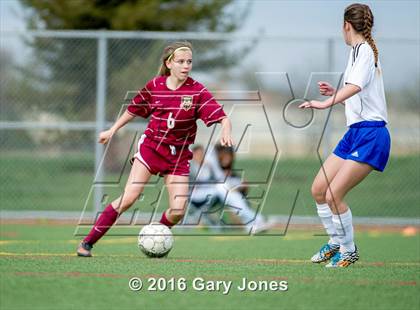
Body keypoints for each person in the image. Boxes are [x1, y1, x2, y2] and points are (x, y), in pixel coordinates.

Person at [77, 41, 233, 257]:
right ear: (169, 63)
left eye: (189, 61)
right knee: (129, 197)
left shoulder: (197, 91)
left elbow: (223, 117)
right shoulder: (155, 86)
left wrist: (225, 129)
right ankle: (87, 243)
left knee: (178, 211)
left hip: (178, 157)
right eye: (180, 61)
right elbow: (132, 110)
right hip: (151, 148)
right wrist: (111, 130)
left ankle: (155, 234)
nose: (186, 65)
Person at [299, 3, 390, 267]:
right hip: (355, 133)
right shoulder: (355, 52)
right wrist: (336, 94)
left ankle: (349, 250)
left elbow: (356, 87)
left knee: (333, 195)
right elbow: (357, 95)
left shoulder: (364, 52)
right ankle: (336, 242)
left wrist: (324, 102)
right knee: (318, 189)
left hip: (372, 136)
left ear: (346, 26)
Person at [188, 144, 274, 234]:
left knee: (226, 189)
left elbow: (219, 177)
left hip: (212, 194)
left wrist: (236, 184)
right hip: (195, 196)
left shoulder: (208, 164)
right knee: (222, 187)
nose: (201, 156)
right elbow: (209, 179)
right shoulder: (191, 164)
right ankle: (256, 219)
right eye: (198, 154)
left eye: (202, 153)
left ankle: (251, 223)